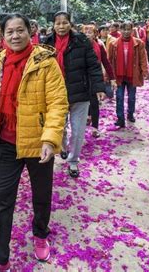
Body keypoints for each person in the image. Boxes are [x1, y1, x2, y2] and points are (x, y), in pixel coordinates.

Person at [0, 14, 68, 271]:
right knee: (3, 200)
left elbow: (57, 102)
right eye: (10, 31)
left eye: (20, 30)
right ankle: (0, 256)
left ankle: (40, 234)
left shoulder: (45, 61)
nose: (15, 36)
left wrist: (50, 139)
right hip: (7, 143)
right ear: (3, 34)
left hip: (37, 142)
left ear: (30, 32)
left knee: (41, 196)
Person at [44, 11, 105, 178]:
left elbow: (93, 65)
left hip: (80, 93)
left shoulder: (81, 40)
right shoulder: (46, 43)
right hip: (56, 94)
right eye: (58, 23)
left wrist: (99, 87)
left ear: (70, 24)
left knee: (78, 131)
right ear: (53, 25)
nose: (61, 26)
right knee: (60, 127)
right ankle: (62, 146)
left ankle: (73, 161)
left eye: (65, 23)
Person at [109, 21, 149, 128]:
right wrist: (108, 76)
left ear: (132, 30)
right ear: (120, 30)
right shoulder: (113, 44)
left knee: (131, 97)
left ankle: (130, 114)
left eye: (128, 29)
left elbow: (143, 59)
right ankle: (120, 118)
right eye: (124, 29)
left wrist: (145, 71)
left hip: (133, 75)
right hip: (119, 76)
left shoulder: (139, 43)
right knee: (119, 97)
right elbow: (110, 61)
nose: (126, 32)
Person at [84, 25, 116, 137]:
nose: (87, 34)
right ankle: (87, 118)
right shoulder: (78, 46)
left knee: (94, 102)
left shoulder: (99, 45)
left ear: (95, 34)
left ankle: (95, 127)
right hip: (81, 79)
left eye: (90, 32)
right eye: (85, 32)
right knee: (83, 102)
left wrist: (112, 78)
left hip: (95, 78)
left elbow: (106, 62)